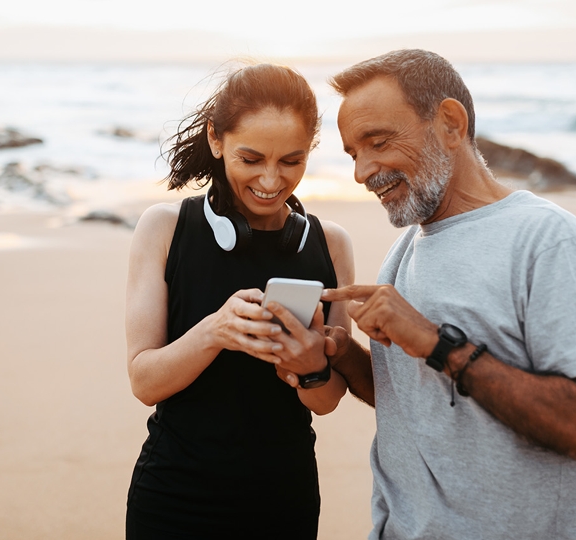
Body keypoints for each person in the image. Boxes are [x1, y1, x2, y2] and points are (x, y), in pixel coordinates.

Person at [319, 49, 576, 539]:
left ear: (450, 123)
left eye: (379, 142)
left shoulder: (546, 240)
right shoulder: (405, 248)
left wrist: (438, 343)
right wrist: (339, 355)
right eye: (353, 154)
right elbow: (415, 401)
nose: (363, 171)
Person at [123, 63, 354, 539]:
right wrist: (215, 331)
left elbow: (327, 401)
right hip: (174, 495)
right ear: (216, 139)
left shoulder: (331, 244)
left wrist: (310, 364)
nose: (271, 180)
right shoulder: (165, 229)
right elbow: (145, 382)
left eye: (291, 161)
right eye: (252, 159)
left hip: (283, 498)